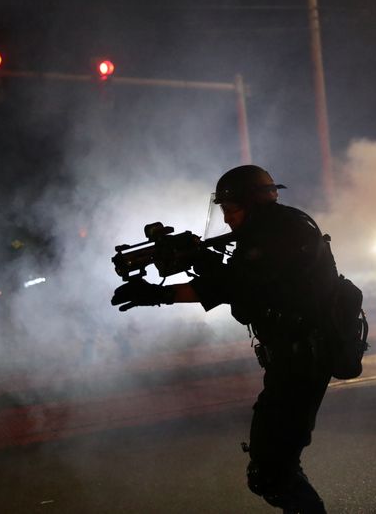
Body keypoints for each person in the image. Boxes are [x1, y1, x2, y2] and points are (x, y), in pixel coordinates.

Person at [112, 165, 338, 513]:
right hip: (289, 360)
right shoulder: (273, 230)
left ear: (255, 204)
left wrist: (161, 291)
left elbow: (236, 285)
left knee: (273, 472)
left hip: (303, 359)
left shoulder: (282, 233)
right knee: (273, 466)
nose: (228, 220)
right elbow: (238, 283)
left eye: (231, 211)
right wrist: (193, 262)